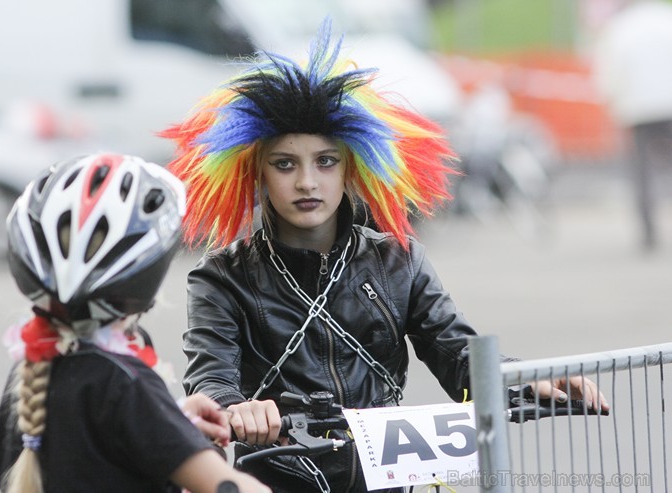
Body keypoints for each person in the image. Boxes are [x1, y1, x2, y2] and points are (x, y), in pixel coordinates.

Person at [163, 20, 609, 493]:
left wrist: (524, 380)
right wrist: (237, 409)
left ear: (351, 168)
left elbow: (456, 353)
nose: (307, 182)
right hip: (276, 480)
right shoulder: (220, 277)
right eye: (285, 163)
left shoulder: (399, 260)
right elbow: (210, 380)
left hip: (391, 481)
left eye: (326, 161)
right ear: (258, 174)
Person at [0, 153, 270, 493]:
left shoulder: (30, 372)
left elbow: (89, 447)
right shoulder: (125, 385)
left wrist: (172, 417)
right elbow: (227, 486)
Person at [592, 0, 672, 250]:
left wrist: (612, 101)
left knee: (642, 170)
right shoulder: (666, 18)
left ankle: (649, 231)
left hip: (638, 107)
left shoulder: (619, 28)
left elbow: (610, 71)